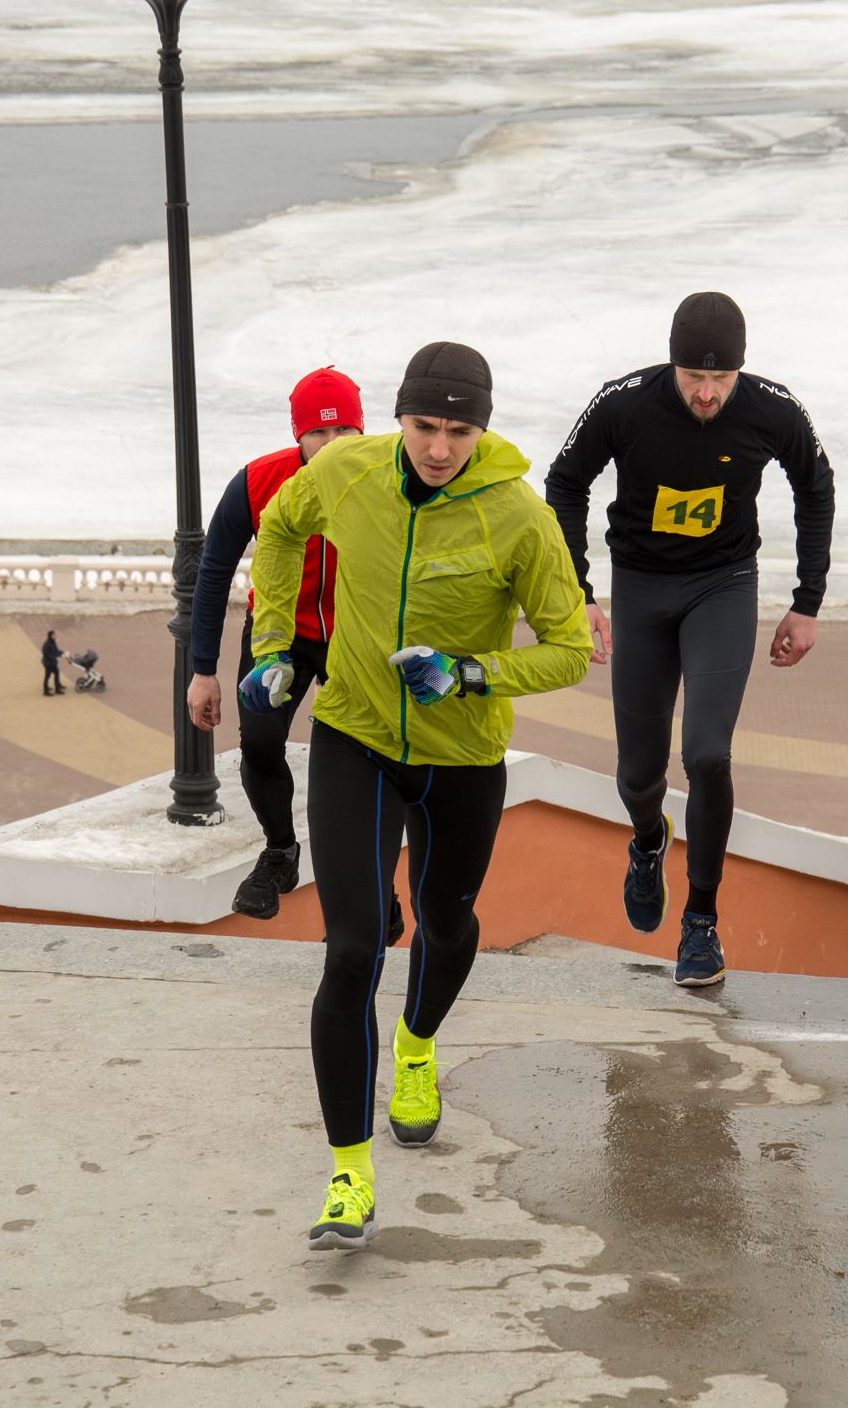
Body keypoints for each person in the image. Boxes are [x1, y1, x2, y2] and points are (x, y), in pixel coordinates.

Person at [243, 341, 591, 1252]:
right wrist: (274, 644)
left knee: (446, 920)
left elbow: (570, 649)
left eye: (459, 431)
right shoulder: (347, 471)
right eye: (425, 426)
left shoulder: (520, 518)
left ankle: (417, 1043)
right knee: (353, 947)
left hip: (461, 756)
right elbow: (277, 531)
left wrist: (471, 673)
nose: (440, 448)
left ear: (483, 430)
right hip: (354, 734)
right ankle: (349, 1176)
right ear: (399, 418)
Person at [542, 292, 835, 988]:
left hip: (722, 587)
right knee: (637, 775)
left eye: (720, 379)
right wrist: (578, 593)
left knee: (707, 753)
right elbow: (564, 482)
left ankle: (700, 920)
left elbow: (815, 486)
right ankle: (648, 840)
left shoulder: (772, 409)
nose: (707, 393)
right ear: (671, 364)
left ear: (740, 370)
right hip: (641, 588)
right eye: (693, 377)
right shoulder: (624, 404)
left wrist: (807, 603)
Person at [186, 366, 369, 919]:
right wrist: (203, 669)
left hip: (357, 635)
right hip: (277, 635)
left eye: (344, 431)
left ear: (362, 430)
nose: (332, 444)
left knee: (365, 757)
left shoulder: (388, 476)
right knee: (260, 742)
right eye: (319, 432)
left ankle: (374, 885)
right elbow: (213, 572)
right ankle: (280, 851)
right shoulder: (258, 481)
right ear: (298, 434)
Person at [40, 631, 66, 696]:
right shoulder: (47, 644)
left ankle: (57, 689)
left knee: (56, 673)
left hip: (53, 663)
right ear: (50, 636)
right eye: (53, 635)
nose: (54, 636)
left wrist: (63, 653)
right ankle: (46, 691)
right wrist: (56, 656)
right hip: (48, 663)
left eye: (55, 635)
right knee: (47, 677)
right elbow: (46, 653)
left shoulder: (53, 642)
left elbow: (56, 650)